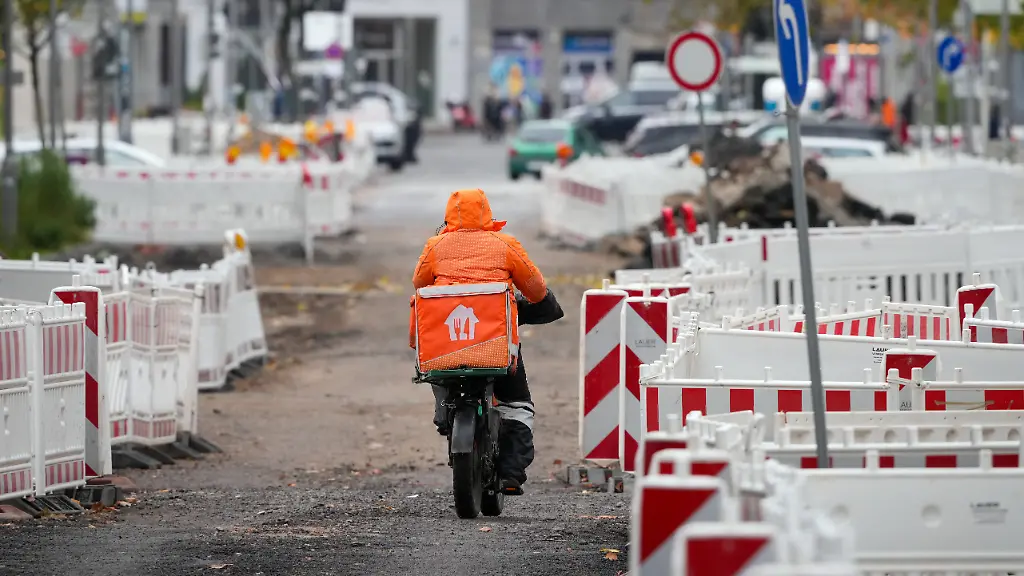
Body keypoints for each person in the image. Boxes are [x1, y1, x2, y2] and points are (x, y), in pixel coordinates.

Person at [412, 188, 549, 495]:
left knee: (440, 371)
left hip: (446, 346)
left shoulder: (436, 246)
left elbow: (420, 284)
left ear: (449, 215)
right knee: (516, 403)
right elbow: (537, 289)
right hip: (495, 346)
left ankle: (444, 414)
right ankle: (511, 472)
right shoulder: (504, 243)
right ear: (487, 212)